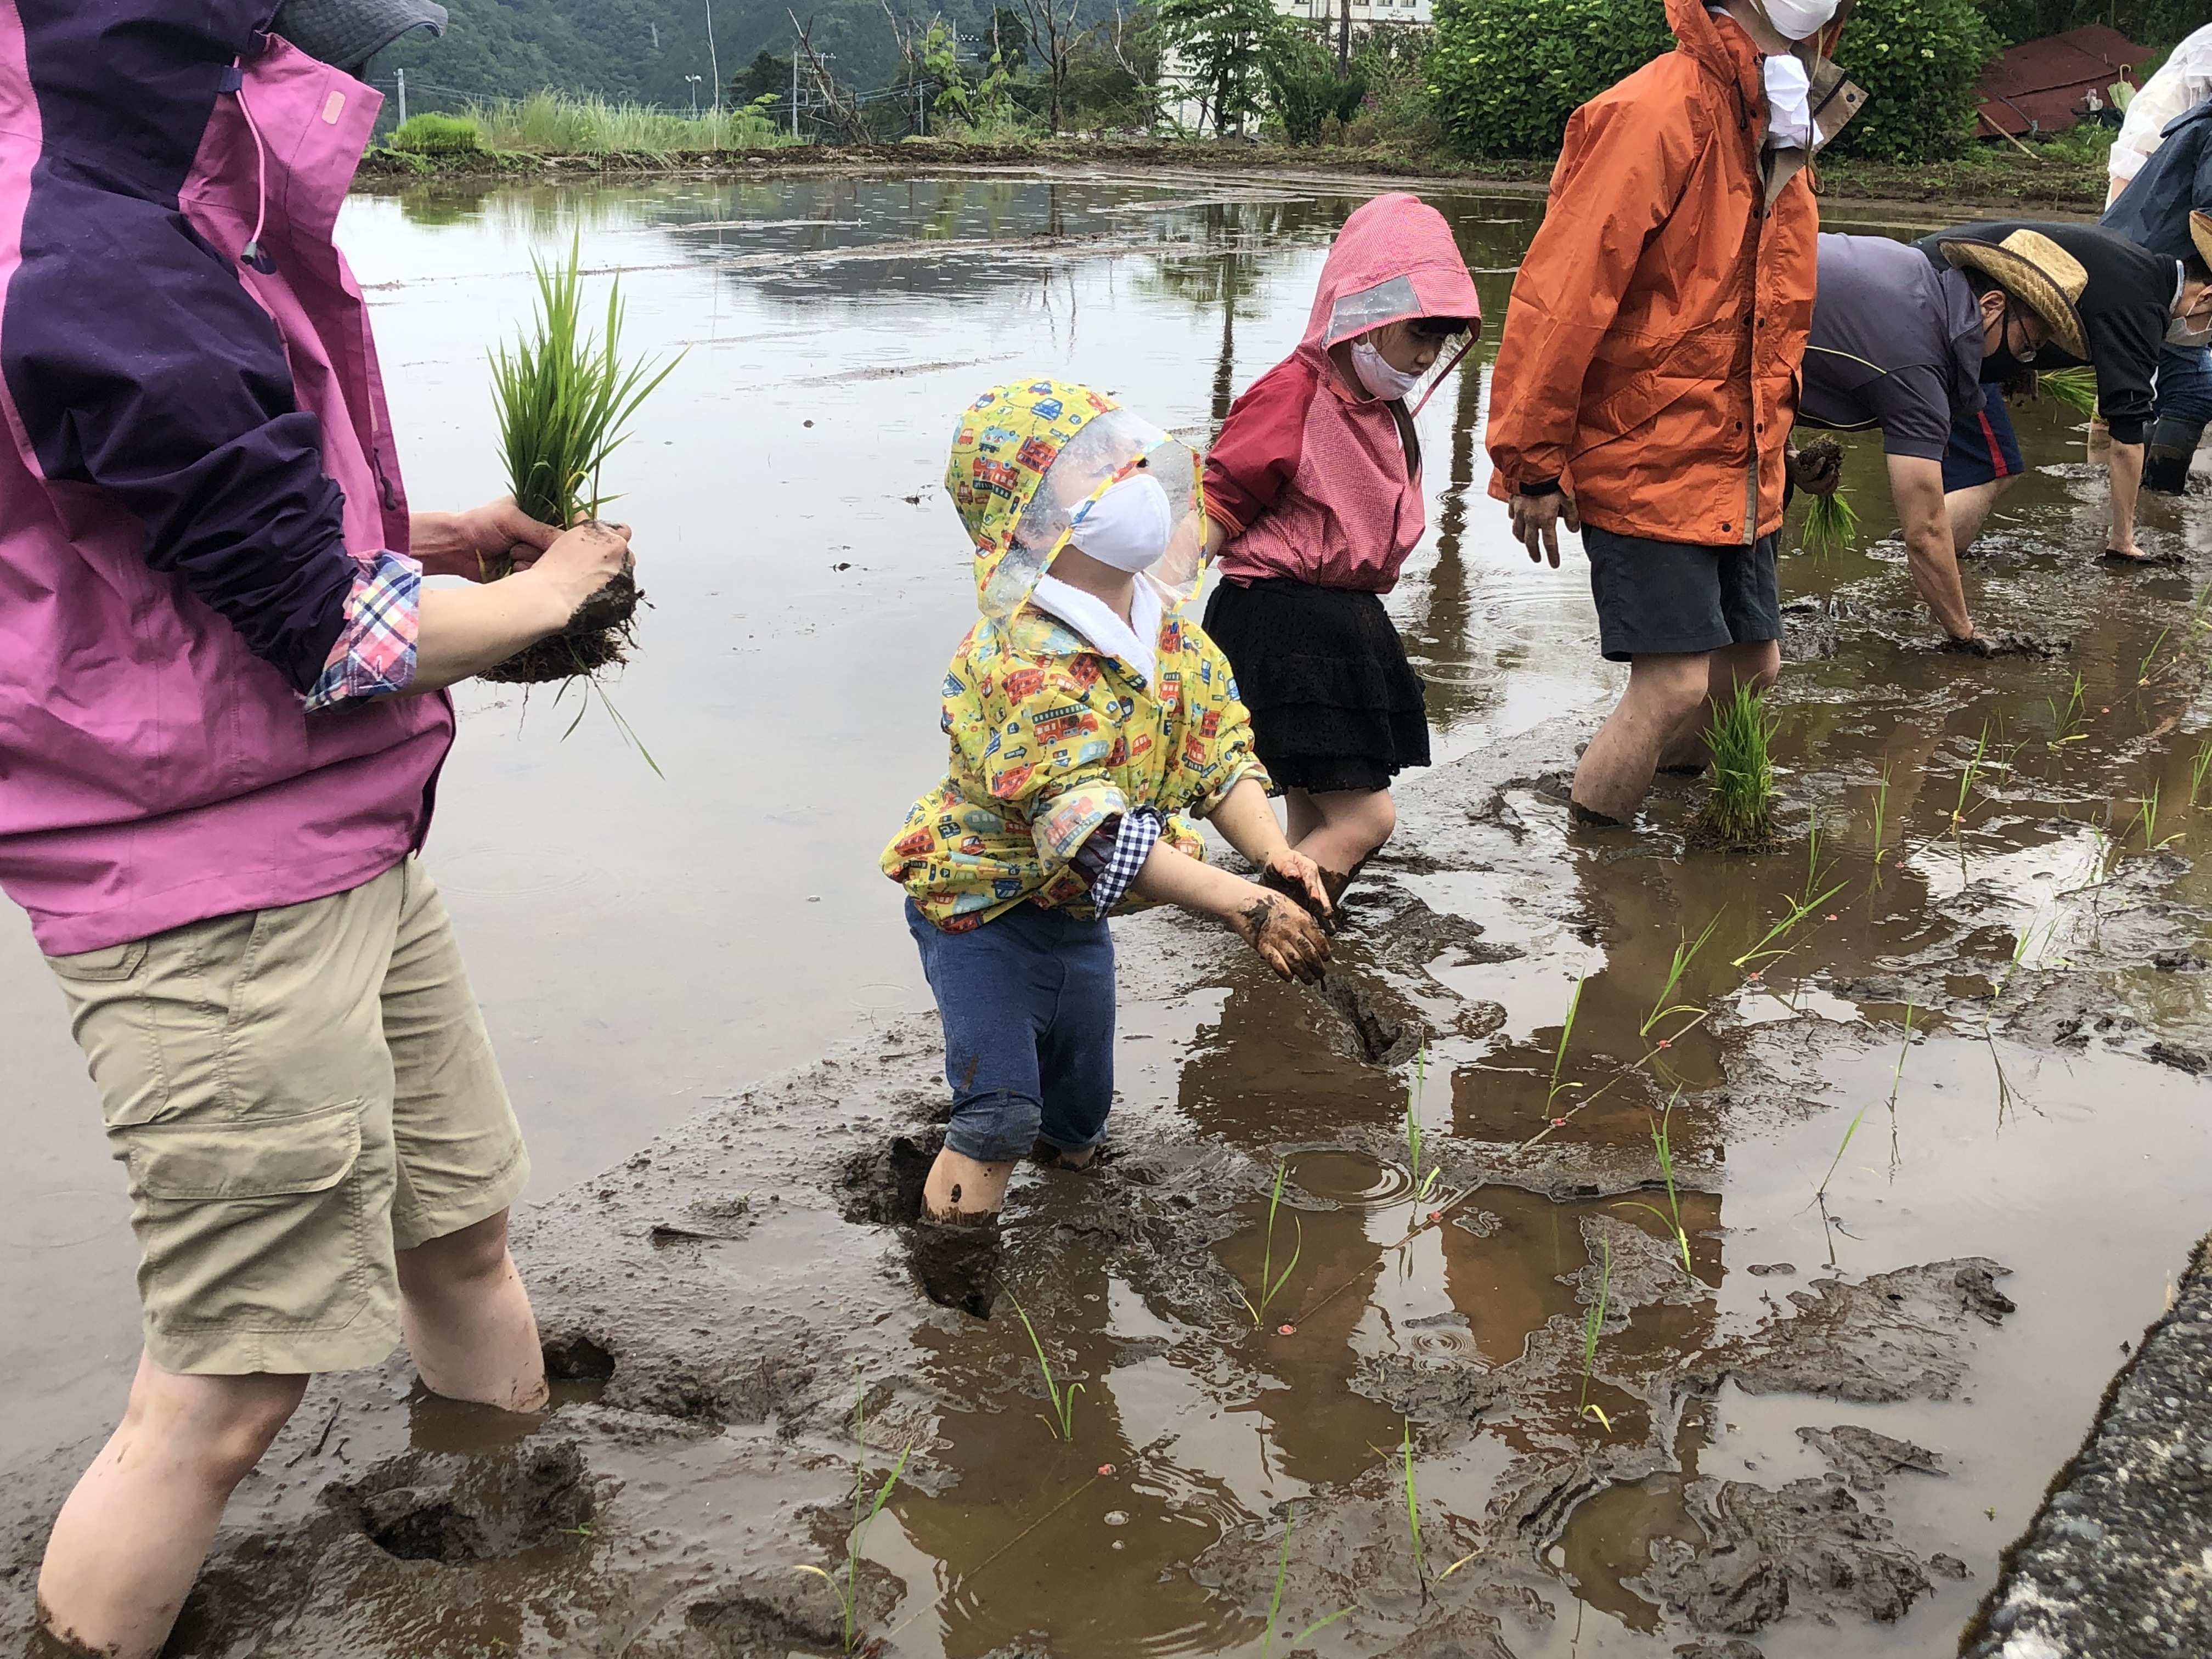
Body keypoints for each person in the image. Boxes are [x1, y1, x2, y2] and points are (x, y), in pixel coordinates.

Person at [0, 4, 637, 1655]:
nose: (317, 70)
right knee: (227, 1387)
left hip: (333, 836)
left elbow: (154, 524)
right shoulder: (95, 257)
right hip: (207, 892)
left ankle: (502, 1547)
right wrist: (555, 593)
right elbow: (328, 634)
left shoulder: (145, 206)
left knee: (459, 1230)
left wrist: (423, 530)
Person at [881, 379, 1331, 1312]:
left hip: (1076, 916)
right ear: (1030, 516)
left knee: (1080, 1116)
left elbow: (1219, 757)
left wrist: (1272, 855)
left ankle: (1073, 1242)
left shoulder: (1168, 635)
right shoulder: (1021, 657)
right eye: (1090, 468)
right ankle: (951, 1295)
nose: (1129, 479)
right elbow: (1088, 831)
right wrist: (1240, 902)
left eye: (1123, 457)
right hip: (981, 910)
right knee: (1001, 1113)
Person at [1482, 0, 1863, 827]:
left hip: (1738, 453)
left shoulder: (1787, 112)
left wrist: (1780, 445)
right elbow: (1562, 297)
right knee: (1673, 684)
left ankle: (1678, 816)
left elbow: (1771, 316)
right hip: (1645, 449)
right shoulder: (1653, 112)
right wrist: (1533, 464)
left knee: (1753, 665)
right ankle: (1597, 858)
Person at [1197, 193, 1481, 910]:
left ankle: (1286, 940)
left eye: (1441, 340)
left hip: (1333, 624)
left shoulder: (1381, 409)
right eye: (1418, 333)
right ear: (1364, 312)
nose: (1426, 355)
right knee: (1365, 819)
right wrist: (1158, 598)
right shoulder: (1295, 393)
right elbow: (1221, 499)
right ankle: (1268, 924)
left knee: (1313, 816)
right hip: (1283, 621)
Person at [1792, 229, 2083, 644]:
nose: (2023, 363)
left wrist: (1787, 459)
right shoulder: (1919, 367)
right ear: (1992, 305)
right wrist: (1966, 635)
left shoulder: (1915, 270)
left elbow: (1775, 358)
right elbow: (1925, 530)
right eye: (2026, 346)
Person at [1922, 219, 2212, 561]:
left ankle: (1922, 541)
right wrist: (2123, 540)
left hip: (1925, 287)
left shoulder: (2135, 267)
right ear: (2206, 296)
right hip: (1942, 317)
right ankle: (1930, 568)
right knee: (1990, 468)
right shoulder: (2141, 307)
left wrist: (2020, 364)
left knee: (1952, 461)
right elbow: (2126, 437)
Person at [2103, 88, 2212, 493]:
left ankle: (2149, 497)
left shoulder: (2196, 123)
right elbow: (2209, 218)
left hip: (2135, 263)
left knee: (2180, 387)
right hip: (2158, 277)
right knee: (2189, 388)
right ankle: (2156, 499)